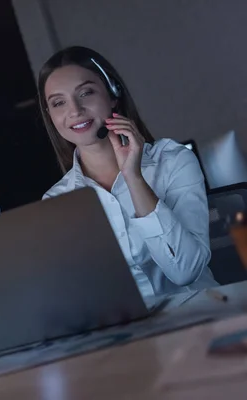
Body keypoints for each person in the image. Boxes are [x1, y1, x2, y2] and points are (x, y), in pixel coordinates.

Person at [37, 46, 218, 298]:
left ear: (113, 94)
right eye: (58, 103)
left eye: (85, 93)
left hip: (202, 321)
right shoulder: (57, 201)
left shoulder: (173, 161)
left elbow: (185, 271)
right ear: (50, 116)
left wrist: (133, 177)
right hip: (128, 334)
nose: (74, 111)